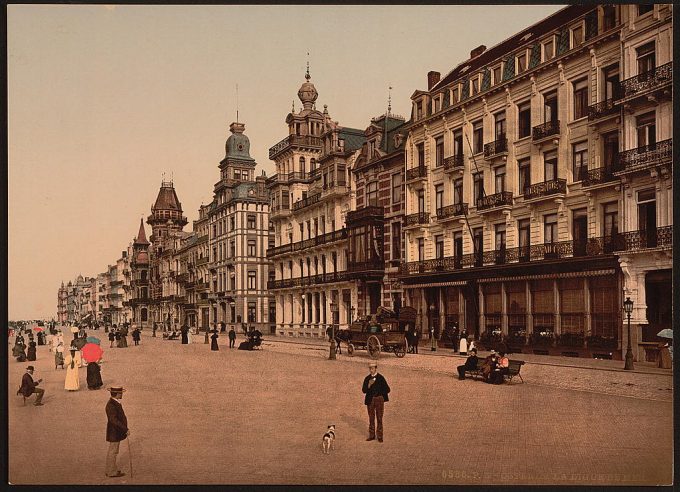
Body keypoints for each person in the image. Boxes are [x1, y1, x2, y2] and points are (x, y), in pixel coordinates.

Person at [362, 362, 390, 443]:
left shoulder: (381, 378)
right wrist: (368, 386)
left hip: (379, 400)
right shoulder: (367, 379)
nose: (371, 370)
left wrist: (379, 392)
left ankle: (380, 436)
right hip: (370, 400)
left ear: (375, 368)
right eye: (370, 368)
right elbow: (364, 390)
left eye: (372, 368)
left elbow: (388, 389)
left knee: (379, 418)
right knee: (371, 418)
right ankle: (372, 435)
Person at [105, 386, 129, 478]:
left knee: (113, 451)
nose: (122, 394)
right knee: (113, 451)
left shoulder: (114, 403)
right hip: (114, 432)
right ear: (117, 394)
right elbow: (114, 420)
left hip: (115, 432)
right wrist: (125, 429)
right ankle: (111, 471)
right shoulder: (111, 405)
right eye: (121, 393)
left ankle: (111, 469)